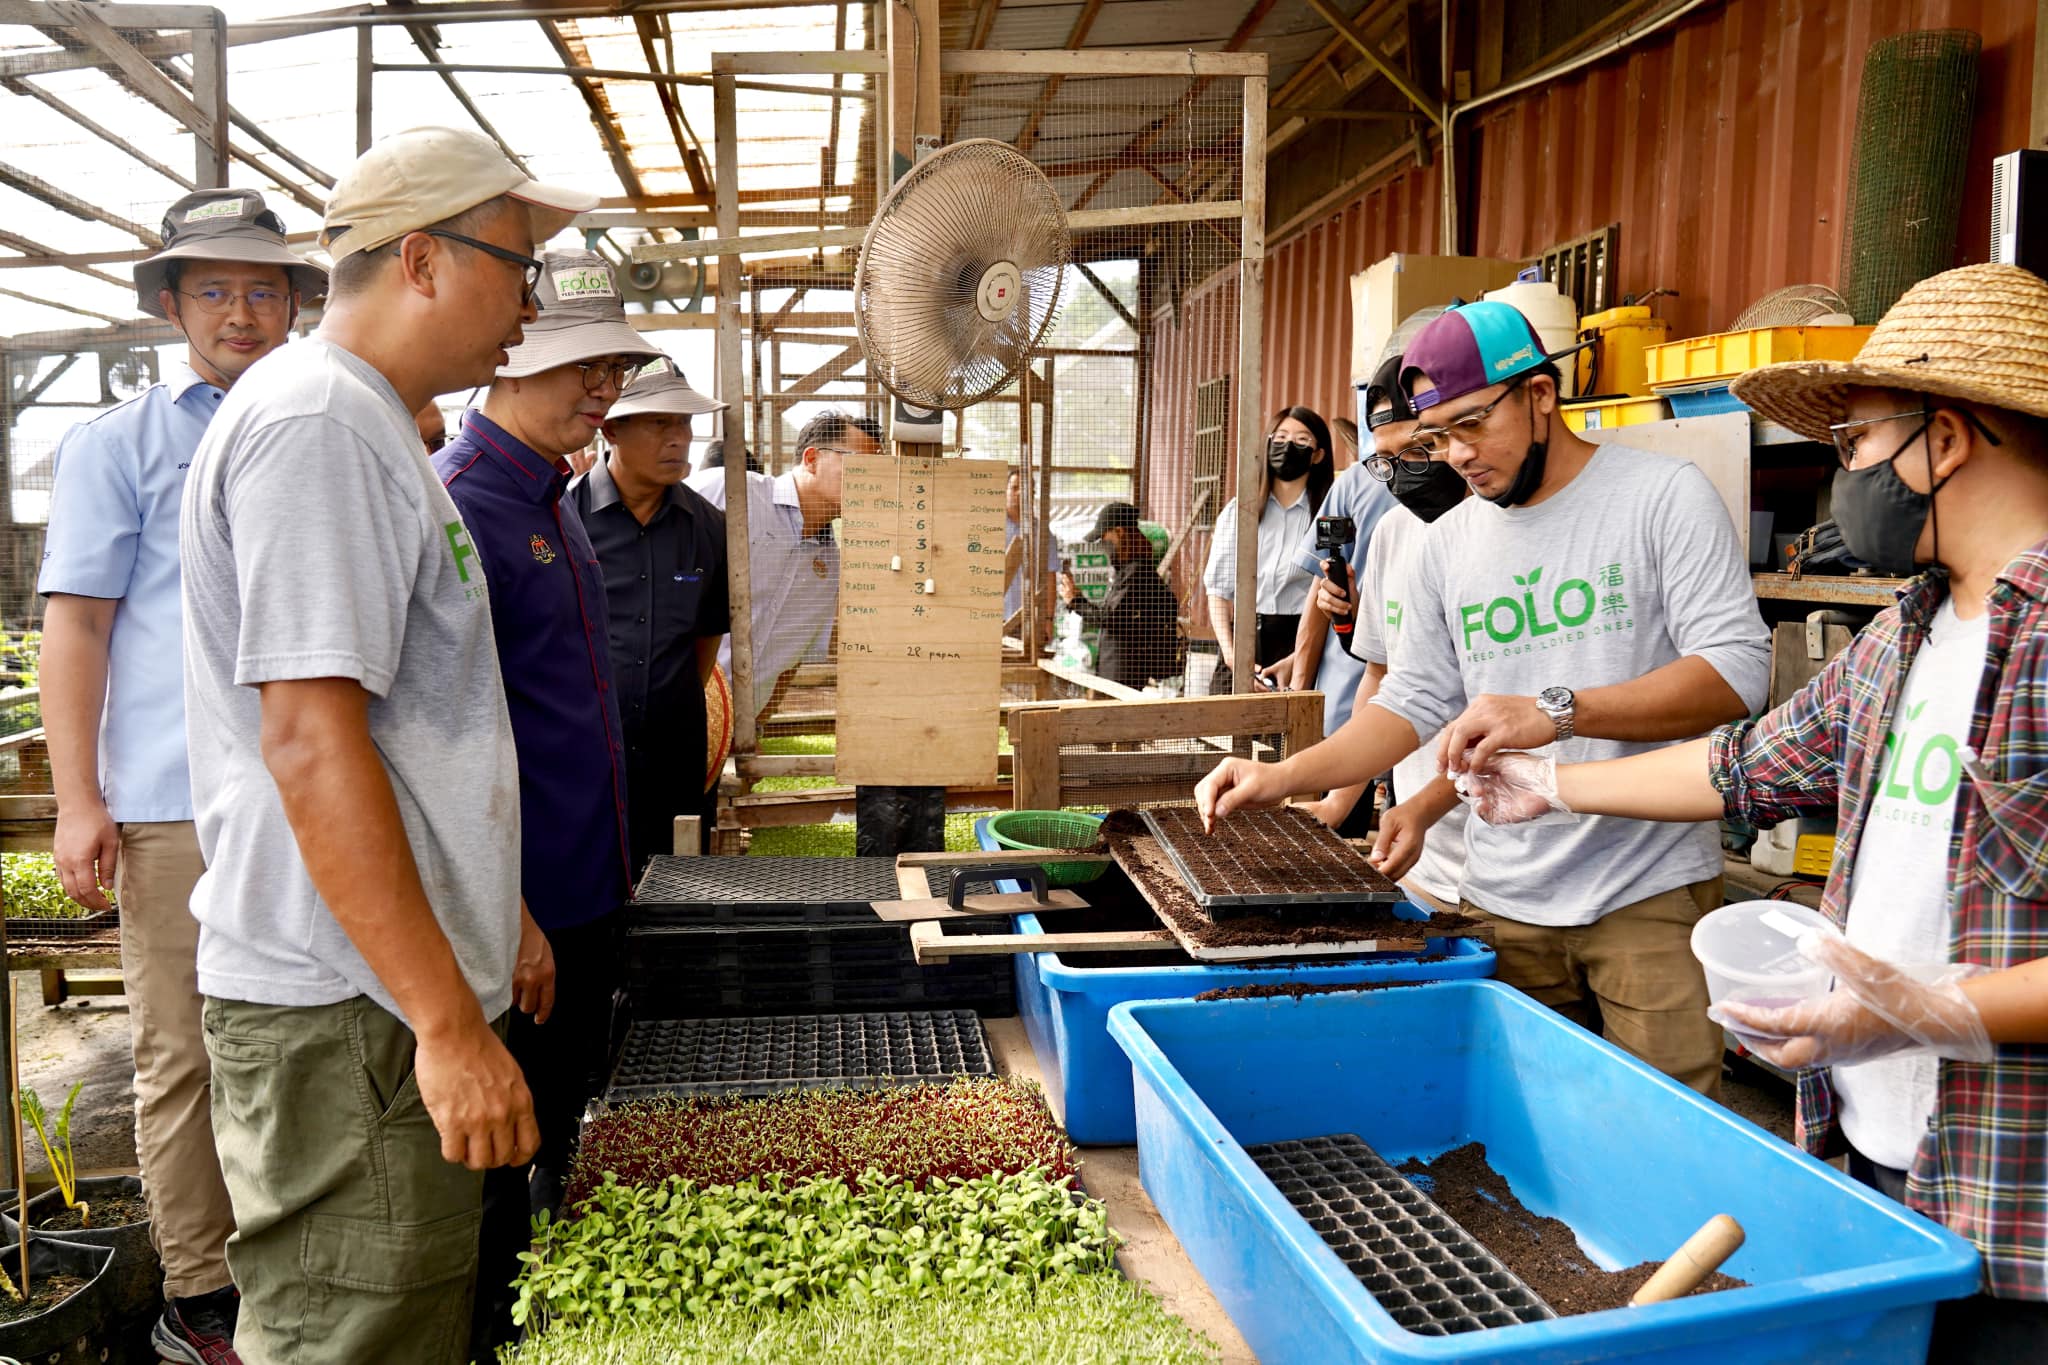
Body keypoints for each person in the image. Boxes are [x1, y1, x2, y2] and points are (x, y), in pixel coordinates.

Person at [1457, 264, 2048, 1356]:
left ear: (1945, 440)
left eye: (1855, 442)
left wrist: (1918, 1009)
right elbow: (1736, 769)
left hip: (2017, 1207)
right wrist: (1550, 782)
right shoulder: (1902, 636)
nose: (1844, 475)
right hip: (1876, 1153)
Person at [179, 127, 592, 1363]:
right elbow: (311, 744)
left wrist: (494, 912)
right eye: (518, 267)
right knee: (353, 1332)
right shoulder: (319, 426)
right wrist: (446, 1025)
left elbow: (412, 724)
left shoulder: (370, 425)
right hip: (349, 1008)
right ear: (421, 260)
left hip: (380, 997)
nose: (532, 305)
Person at [1198, 300, 1769, 1099]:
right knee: (1519, 1126)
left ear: (1541, 394)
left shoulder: (1661, 495)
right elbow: (1406, 701)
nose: (1458, 455)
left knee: (1661, 1125)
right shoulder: (1446, 545)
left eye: (1473, 423)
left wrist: (1557, 711)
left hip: (1647, 888)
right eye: (1437, 437)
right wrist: (1285, 778)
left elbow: (1738, 671)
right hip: (1503, 897)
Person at [38, 187, 322, 1364]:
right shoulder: (120, 447)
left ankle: (298, 1257)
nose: (240, 312)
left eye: (262, 289)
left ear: (296, 306)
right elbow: (77, 626)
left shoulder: (324, 425)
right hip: (176, 805)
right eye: (213, 290)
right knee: (185, 1052)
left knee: (308, 1031)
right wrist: (80, 800)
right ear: (170, 306)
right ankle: (203, 1294)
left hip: (314, 790)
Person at [433, 248, 657, 1356]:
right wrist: (509, 910)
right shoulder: (461, 505)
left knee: (558, 1121)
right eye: (583, 366)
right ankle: (492, 1332)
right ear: (508, 353)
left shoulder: (551, 499)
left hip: (582, 883)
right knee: (495, 1155)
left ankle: (543, 1318)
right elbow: (440, 739)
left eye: (614, 368)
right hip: (517, 912)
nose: (602, 389)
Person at [1303, 356, 1472, 908]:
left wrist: (1425, 805)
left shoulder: (1502, 529)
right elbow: (1379, 677)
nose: (1403, 474)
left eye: (1419, 451)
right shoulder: (1393, 533)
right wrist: (1338, 800)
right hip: (1425, 857)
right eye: (1386, 461)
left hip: (1508, 844)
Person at [577, 360, 732, 874]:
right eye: (660, 423)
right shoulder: (564, 520)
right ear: (611, 429)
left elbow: (706, 639)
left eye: (684, 422)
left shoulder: (709, 528)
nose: (678, 438)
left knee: (674, 883)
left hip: (674, 753)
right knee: (586, 884)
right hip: (583, 751)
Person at [687, 410, 879, 724]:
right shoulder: (729, 490)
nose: (871, 482)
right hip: (663, 711)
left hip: (729, 733)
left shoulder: (831, 566)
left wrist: (754, 728)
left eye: (878, 473)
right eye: (859, 465)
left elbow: (789, 663)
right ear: (812, 459)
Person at [1203, 406, 1336, 695]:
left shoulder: (1328, 515)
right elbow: (1218, 590)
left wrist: (1301, 657)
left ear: (1318, 455)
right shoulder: (1241, 511)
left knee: (1292, 722)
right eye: (1281, 437)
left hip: (1302, 641)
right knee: (1226, 720)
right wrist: (1231, 653)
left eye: (1302, 440)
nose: (1288, 446)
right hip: (1243, 639)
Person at [1284, 405, 1397, 735]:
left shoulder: (1464, 487)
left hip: (1404, 699)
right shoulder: (1355, 481)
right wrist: (1298, 695)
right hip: (1348, 689)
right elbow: (1324, 584)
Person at [1057, 502, 1179, 690]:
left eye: (1104, 537)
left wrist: (1075, 601)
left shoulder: (1136, 572)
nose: (1102, 545)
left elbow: (1109, 617)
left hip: (1123, 671)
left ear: (1119, 532)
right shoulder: (1131, 571)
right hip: (1121, 668)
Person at [1004, 469, 1060, 648]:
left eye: (1026, 489)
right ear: (1005, 491)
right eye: (1015, 488)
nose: (1020, 493)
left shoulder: (1043, 533)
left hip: (1029, 621)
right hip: (992, 618)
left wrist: (1048, 619)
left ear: (1033, 494)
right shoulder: (990, 528)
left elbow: (1050, 577)